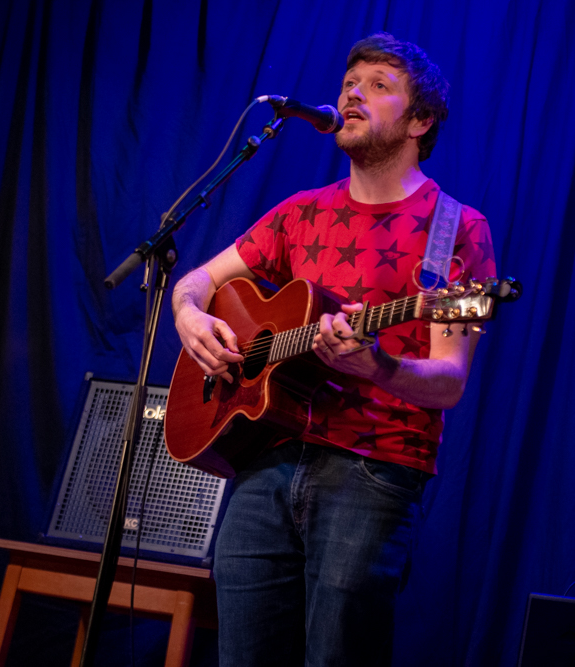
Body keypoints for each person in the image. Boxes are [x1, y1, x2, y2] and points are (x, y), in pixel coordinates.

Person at [171, 33, 496, 666]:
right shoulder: (298, 212)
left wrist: (376, 364)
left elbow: (451, 381)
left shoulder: (458, 229)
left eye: (378, 86)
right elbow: (197, 279)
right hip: (264, 460)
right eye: (350, 82)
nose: (353, 93)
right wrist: (188, 313)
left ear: (420, 121)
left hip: (372, 470)